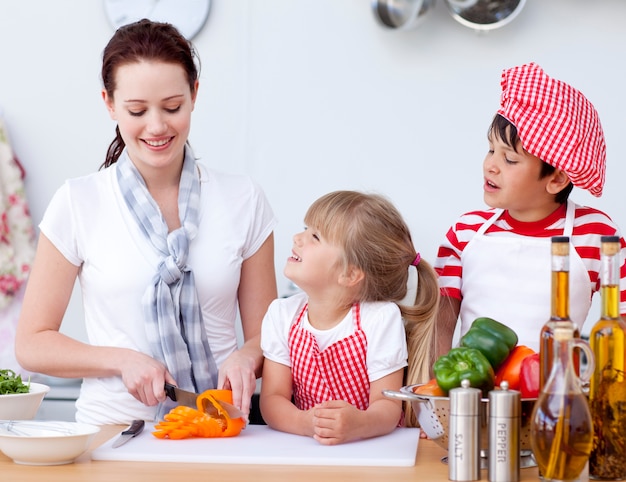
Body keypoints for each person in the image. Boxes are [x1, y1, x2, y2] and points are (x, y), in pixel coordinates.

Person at [15, 19, 278, 425]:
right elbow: (32, 344)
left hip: (220, 431)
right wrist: (122, 361)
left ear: (194, 94)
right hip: (113, 432)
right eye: (137, 110)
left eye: (172, 107)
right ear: (109, 103)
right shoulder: (78, 201)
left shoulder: (243, 199)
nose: (157, 126)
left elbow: (269, 336)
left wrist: (247, 356)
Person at [434, 62, 626, 358]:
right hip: (473, 393)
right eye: (490, 149)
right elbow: (440, 324)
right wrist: (433, 395)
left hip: (558, 395)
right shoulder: (466, 231)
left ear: (557, 178)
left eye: (510, 159)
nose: (491, 165)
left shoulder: (596, 234)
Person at [259, 190, 440, 445]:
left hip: (372, 451)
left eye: (315, 236)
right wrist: (306, 423)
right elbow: (272, 400)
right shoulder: (282, 315)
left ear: (350, 273)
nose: (297, 238)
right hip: (309, 450)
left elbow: (387, 407)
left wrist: (359, 425)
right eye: (305, 228)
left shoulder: (378, 320)